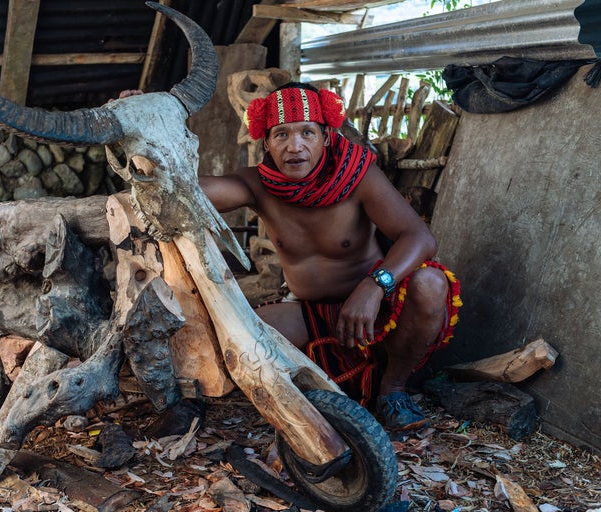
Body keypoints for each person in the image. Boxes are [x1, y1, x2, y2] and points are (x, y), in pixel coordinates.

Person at [123, 83, 462, 431]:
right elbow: (186, 192)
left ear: (326, 136)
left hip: (375, 309)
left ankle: (394, 390)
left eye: (307, 132)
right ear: (266, 143)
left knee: (431, 284)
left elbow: (420, 238)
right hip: (310, 312)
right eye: (281, 134)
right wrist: (145, 129)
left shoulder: (358, 176)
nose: (294, 146)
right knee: (231, 338)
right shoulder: (258, 185)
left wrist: (374, 286)